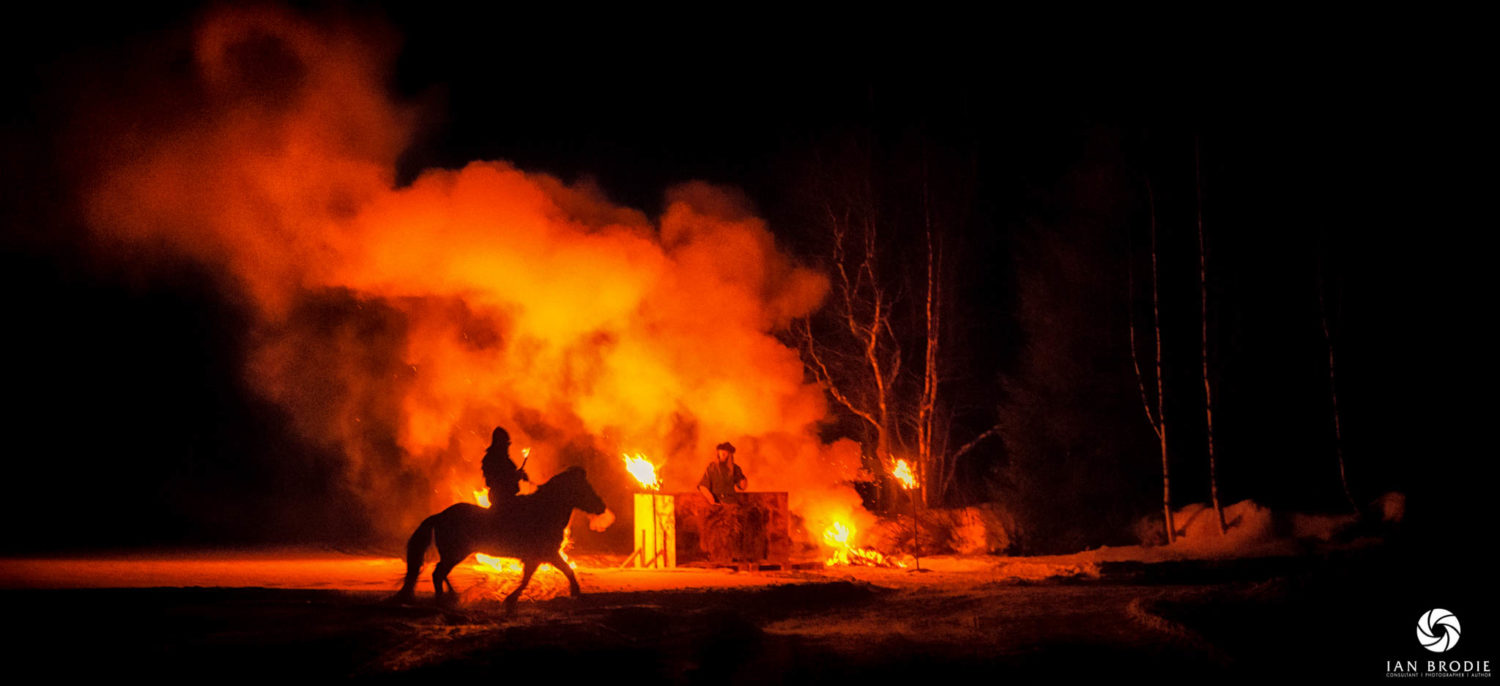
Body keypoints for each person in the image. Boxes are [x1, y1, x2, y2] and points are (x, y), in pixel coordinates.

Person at [481, 426, 528, 514]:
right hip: (502, 501)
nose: (507, 447)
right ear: (500, 443)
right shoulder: (493, 459)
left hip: (508, 498)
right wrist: (517, 476)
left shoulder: (502, 459)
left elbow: (508, 474)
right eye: (506, 444)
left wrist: (519, 475)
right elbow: (500, 480)